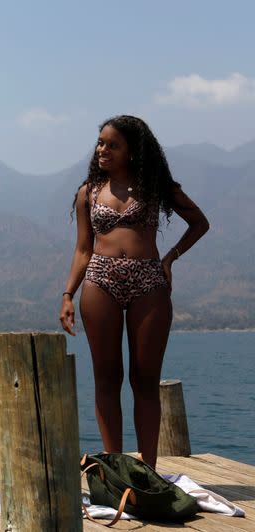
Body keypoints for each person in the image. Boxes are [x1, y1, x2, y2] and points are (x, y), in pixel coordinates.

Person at [59, 115, 208, 468]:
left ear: (132, 150)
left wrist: (170, 258)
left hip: (149, 281)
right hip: (100, 280)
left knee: (145, 380)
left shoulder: (156, 187)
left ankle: (148, 470)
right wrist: (67, 294)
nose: (103, 150)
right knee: (107, 378)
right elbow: (83, 249)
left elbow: (200, 223)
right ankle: (116, 469)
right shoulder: (88, 193)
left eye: (113, 144)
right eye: (100, 143)